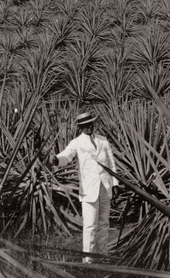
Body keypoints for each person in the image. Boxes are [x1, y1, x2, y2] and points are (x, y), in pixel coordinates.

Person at [50, 111, 118, 260]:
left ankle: (102, 254)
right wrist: (56, 160)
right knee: (90, 225)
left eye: (91, 124)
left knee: (104, 223)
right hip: (89, 190)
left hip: (105, 187)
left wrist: (115, 183)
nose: (89, 127)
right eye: (86, 125)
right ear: (80, 127)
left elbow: (111, 163)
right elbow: (66, 155)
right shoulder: (77, 143)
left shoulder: (103, 141)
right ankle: (88, 258)